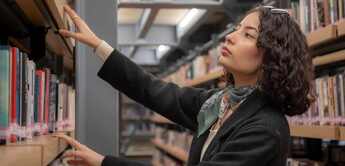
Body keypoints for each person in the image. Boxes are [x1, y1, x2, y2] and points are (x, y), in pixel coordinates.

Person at [55, 4, 315, 166]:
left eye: (248, 34)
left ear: (272, 54)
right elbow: (153, 90)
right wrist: (98, 46)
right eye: (236, 28)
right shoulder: (219, 103)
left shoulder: (265, 129)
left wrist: (103, 162)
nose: (231, 37)